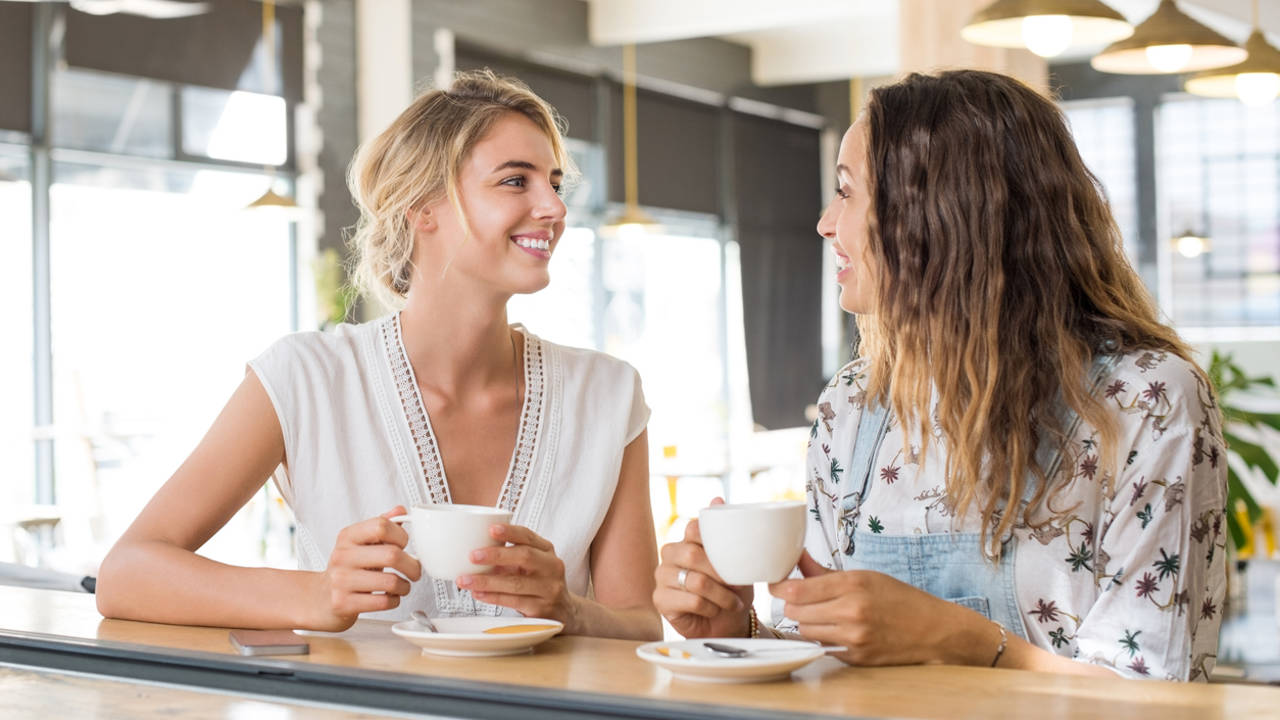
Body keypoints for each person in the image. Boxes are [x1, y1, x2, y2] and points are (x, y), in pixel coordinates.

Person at [654, 69, 1227, 681]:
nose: (825, 223)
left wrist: (960, 639)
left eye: (847, 192)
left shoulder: (1145, 402)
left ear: (938, 214)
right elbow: (821, 659)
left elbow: (1157, 695)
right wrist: (739, 632)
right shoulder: (851, 405)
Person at [97, 70, 661, 641]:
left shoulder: (608, 394)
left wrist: (569, 609)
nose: (554, 208)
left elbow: (640, 624)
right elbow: (127, 573)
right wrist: (316, 593)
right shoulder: (303, 379)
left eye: (555, 185)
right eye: (516, 181)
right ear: (422, 207)